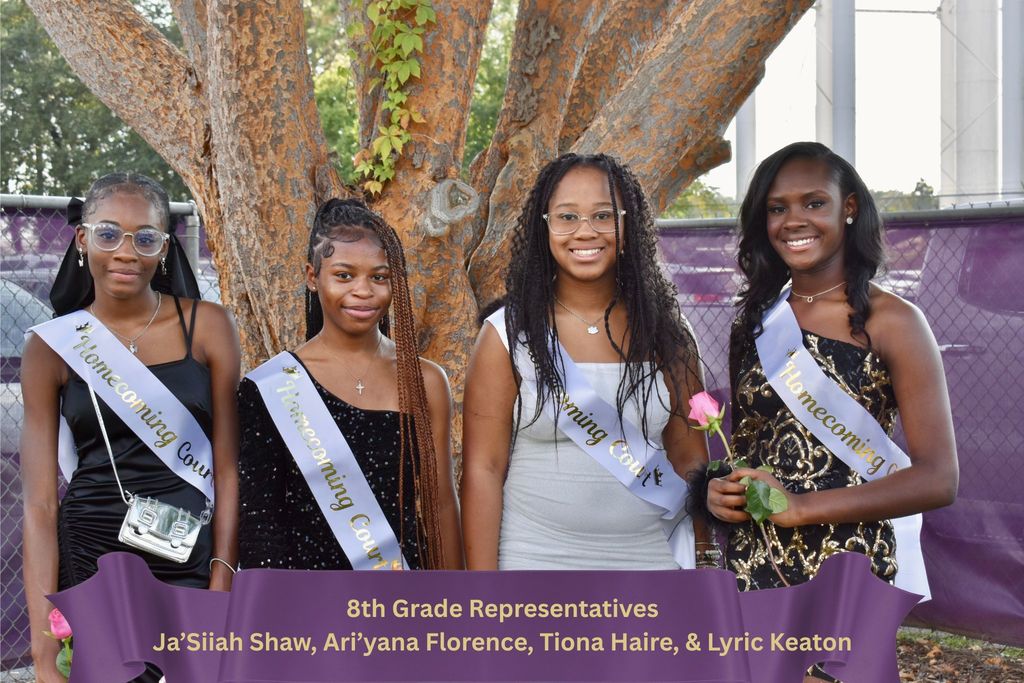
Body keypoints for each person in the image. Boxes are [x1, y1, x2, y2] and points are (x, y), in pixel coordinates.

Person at [706, 142, 958, 681]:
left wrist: (802, 507)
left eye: (813, 203)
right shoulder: (756, 320)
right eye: (777, 208)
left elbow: (939, 480)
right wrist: (720, 490)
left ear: (848, 208)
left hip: (850, 564)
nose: (794, 220)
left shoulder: (894, 321)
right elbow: (747, 448)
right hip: (758, 556)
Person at [20, 173, 240, 683]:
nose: (126, 251)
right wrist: (42, 648)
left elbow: (228, 470)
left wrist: (222, 578)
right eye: (108, 233)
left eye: (145, 238)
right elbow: (38, 504)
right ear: (82, 240)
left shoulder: (207, 326)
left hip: (192, 554)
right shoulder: (52, 346)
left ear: (164, 248)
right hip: (92, 553)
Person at [461, 152, 710, 570]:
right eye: (567, 217)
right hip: (533, 562)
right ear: (545, 228)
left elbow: (691, 462)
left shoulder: (668, 332)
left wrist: (706, 562)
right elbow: (483, 469)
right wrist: (485, 595)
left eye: (602, 215)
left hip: (652, 564)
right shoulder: (508, 334)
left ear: (627, 226)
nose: (585, 231)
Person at [237, 198, 462, 570]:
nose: (363, 291)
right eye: (344, 275)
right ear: (313, 277)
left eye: (379, 276)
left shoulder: (425, 381)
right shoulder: (271, 386)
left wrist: (454, 601)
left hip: (400, 599)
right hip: (304, 603)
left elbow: (440, 503)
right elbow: (261, 517)